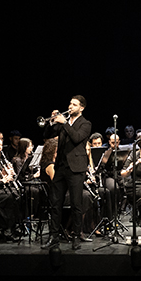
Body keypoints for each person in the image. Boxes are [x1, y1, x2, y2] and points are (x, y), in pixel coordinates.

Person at [42, 95, 93, 249]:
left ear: (81, 108)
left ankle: (76, 236)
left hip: (76, 168)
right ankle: (54, 236)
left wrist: (64, 123)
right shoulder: (64, 123)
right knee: (55, 203)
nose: (70, 107)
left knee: (76, 203)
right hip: (61, 167)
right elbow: (47, 135)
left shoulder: (86, 124)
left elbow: (77, 138)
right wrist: (51, 122)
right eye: (70, 103)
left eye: (74, 105)